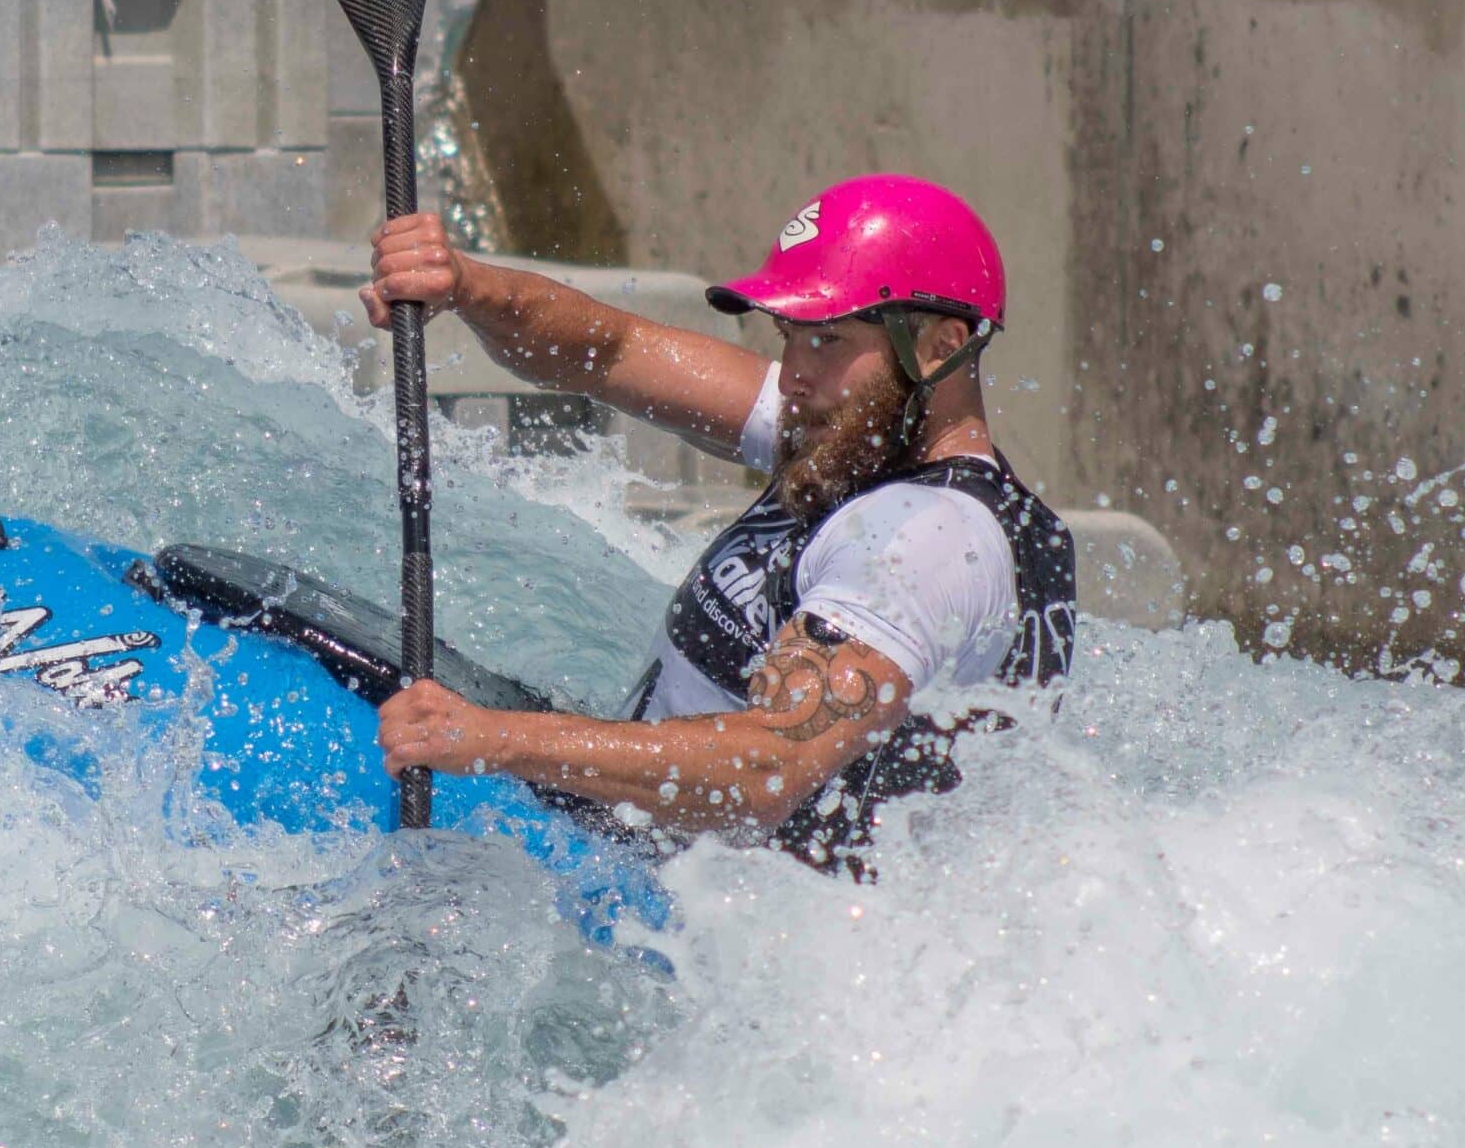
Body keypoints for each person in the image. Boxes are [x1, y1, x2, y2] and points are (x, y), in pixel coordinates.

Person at [361, 173, 1076, 878]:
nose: (792, 374)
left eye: (826, 341)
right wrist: (466, 286)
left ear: (938, 346)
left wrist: (495, 739)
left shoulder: (927, 539)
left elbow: (769, 767)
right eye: (788, 336)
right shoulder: (852, 434)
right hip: (643, 858)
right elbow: (608, 352)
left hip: (724, 948)